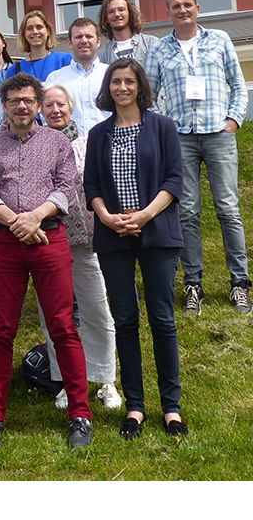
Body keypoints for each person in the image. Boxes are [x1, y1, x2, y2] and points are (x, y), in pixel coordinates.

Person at [0, 73, 93, 450]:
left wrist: (35, 218)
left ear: (38, 105)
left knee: (63, 327)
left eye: (28, 100)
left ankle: (80, 414)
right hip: (4, 243)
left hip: (48, 238)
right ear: (4, 106)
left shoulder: (57, 142)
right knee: (1, 330)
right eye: (14, 101)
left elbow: (65, 189)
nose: (22, 106)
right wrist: (18, 223)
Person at [86, 58, 188, 439]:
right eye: (116, 81)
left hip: (157, 231)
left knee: (162, 319)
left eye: (129, 81)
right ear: (108, 88)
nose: (122, 87)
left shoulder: (162, 127)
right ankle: (135, 406)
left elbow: (174, 180)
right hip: (113, 235)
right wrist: (107, 218)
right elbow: (92, 185)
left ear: (140, 86)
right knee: (125, 319)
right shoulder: (99, 134)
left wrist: (144, 215)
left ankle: (171, 408)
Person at [145, 0, 250, 315]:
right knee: (187, 211)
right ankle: (193, 284)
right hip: (180, 139)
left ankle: (240, 283)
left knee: (228, 209)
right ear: (168, 12)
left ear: (197, 8)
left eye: (187, 4)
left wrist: (233, 120)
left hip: (218, 134)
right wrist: (164, 129)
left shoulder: (219, 39)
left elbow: (238, 84)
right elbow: (148, 95)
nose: (182, 10)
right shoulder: (159, 49)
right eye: (176, 6)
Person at [39, 83, 121, 411]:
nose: (55, 110)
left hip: (86, 243)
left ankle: (106, 380)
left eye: (61, 104)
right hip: (47, 243)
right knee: (54, 316)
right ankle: (64, 381)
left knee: (97, 311)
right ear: (41, 111)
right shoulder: (35, 146)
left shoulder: (89, 144)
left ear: (71, 109)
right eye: (48, 105)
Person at [44, 18, 110, 137]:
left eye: (89, 36)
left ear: (98, 42)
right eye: (78, 37)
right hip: (67, 146)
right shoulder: (55, 79)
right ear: (70, 43)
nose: (84, 41)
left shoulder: (111, 75)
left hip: (105, 144)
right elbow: (46, 117)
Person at [96, 0, 157, 65]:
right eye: (111, 11)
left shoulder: (151, 44)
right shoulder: (102, 56)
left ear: (130, 14)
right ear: (106, 19)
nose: (117, 14)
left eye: (121, 10)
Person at [10, 10, 72, 82]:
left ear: (48, 31)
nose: (35, 32)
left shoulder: (65, 60)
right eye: (29, 28)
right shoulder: (15, 70)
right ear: (24, 34)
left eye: (39, 27)